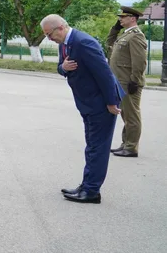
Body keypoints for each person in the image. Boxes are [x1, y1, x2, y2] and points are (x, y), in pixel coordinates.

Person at [41, 14, 125, 204]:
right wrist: (63, 67)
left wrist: (112, 102)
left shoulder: (84, 42)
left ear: (60, 27)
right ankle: (87, 185)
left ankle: (91, 191)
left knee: (97, 148)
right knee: (92, 146)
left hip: (101, 104)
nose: (49, 39)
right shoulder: (65, 43)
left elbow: (104, 74)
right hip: (88, 103)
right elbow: (61, 68)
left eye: (49, 34)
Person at [106, 6, 148, 158]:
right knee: (126, 115)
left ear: (133, 18)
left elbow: (139, 62)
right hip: (120, 81)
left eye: (123, 17)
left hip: (129, 82)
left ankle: (131, 147)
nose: (120, 19)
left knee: (131, 116)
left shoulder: (136, 36)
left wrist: (134, 81)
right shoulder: (125, 35)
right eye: (120, 17)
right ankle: (126, 144)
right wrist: (114, 29)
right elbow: (109, 44)